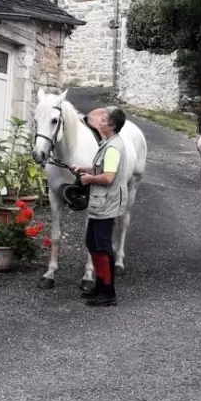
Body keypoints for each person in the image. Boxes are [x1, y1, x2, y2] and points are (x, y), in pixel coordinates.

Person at [71, 106, 129, 308]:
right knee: (92, 242)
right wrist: (84, 168)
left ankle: (108, 292)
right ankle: (100, 286)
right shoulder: (109, 143)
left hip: (107, 202)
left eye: (103, 120)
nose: (99, 121)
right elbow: (104, 167)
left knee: (102, 246)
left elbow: (109, 176)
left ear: (111, 126)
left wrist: (89, 179)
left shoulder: (112, 147)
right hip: (101, 202)